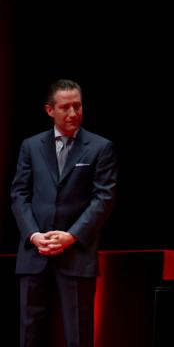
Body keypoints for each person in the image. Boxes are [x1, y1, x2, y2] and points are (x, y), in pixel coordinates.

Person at [10, 78, 117, 347]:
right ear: (50, 110)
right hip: (35, 252)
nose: (73, 113)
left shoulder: (100, 147)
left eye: (77, 106)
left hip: (76, 254)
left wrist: (71, 236)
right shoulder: (31, 146)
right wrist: (33, 234)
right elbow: (19, 194)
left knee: (78, 336)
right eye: (65, 107)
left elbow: (103, 199)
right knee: (29, 334)